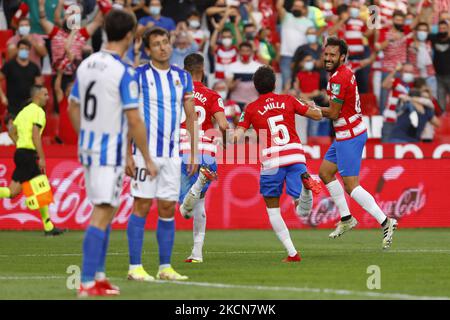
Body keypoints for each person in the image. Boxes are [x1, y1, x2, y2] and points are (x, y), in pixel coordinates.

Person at [68, 9, 157, 297]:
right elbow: (134, 119)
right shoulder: (123, 72)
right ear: (131, 35)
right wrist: (147, 157)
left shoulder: (87, 64)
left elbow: (72, 107)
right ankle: (86, 282)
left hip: (90, 148)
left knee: (105, 209)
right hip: (109, 151)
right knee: (103, 211)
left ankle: (99, 276)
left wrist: (85, 138)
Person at [126, 27, 198, 282]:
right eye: (156, 44)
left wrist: (192, 151)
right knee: (142, 205)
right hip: (145, 154)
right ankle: (135, 267)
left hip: (172, 154)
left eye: (165, 42)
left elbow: (190, 115)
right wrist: (126, 153)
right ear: (148, 50)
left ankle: (165, 268)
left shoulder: (182, 77)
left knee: (167, 208)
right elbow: (129, 114)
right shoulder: (138, 75)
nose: (163, 47)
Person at [233, 65, 322, 262]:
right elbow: (317, 116)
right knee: (302, 211)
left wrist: (229, 134)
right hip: (295, 156)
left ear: (256, 87)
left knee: (273, 210)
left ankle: (292, 253)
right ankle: (306, 190)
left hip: (271, 160)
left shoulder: (250, 108)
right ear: (275, 84)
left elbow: (237, 136)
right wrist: (312, 105)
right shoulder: (288, 99)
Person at [317, 37, 398, 249]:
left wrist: (311, 109)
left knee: (351, 186)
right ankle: (346, 219)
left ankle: (386, 221)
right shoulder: (341, 73)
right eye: (326, 54)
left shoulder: (338, 78)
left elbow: (333, 112)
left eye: (332, 55)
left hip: (349, 135)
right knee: (325, 172)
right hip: (347, 133)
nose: (328, 58)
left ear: (342, 57)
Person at [179, 53, 228, 263]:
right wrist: (224, 141)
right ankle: (197, 253)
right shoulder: (212, 95)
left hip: (182, 148)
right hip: (207, 151)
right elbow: (224, 125)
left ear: (185, 71)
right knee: (198, 204)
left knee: (185, 209)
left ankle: (196, 186)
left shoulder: (177, 92)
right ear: (202, 70)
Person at [0, 85, 65, 236]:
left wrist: (20, 145)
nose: (48, 98)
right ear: (37, 96)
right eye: (45, 94)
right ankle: (48, 226)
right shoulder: (38, 112)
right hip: (28, 154)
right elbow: (36, 134)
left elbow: (11, 133)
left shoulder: (23, 112)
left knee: (12, 192)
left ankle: (48, 226)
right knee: (41, 187)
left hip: (21, 153)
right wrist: (41, 157)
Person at [277, 0, 314, 89]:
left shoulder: (309, 23)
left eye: (299, 6)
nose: (296, 8)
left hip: (302, 58)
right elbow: (279, 6)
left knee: (301, 86)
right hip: (287, 57)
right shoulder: (286, 17)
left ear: (304, 9)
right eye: (295, 6)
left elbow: (312, 41)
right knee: (287, 84)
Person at [0, 39, 42, 117]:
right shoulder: (9, 65)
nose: (24, 51)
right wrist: (2, 96)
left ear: (29, 51)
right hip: (12, 105)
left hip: (29, 105)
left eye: (26, 49)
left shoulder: (34, 67)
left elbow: (38, 86)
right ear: (17, 50)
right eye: (22, 49)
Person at [381, 62, 415, 142]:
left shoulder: (415, 86)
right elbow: (384, 85)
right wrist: (395, 70)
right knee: (386, 148)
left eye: (410, 72)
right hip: (390, 120)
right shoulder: (396, 81)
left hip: (405, 123)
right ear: (401, 72)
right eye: (406, 71)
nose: (408, 74)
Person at [225, 42, 262, 110]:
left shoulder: (258, 67)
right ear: (239, 52)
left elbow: (262, 87)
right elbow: (228, 87)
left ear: (251, 52)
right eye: (243, 51)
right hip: (236, 102)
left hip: (253, 101)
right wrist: (234, 83)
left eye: (247, 51)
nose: (245, 53)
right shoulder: (232, 67)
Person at [429, 20, 450, 112]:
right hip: (438, 76)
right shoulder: (434, 38)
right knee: (441, 100)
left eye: (444, 28)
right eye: (440, 28)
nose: (442, 30)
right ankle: (443, 121)